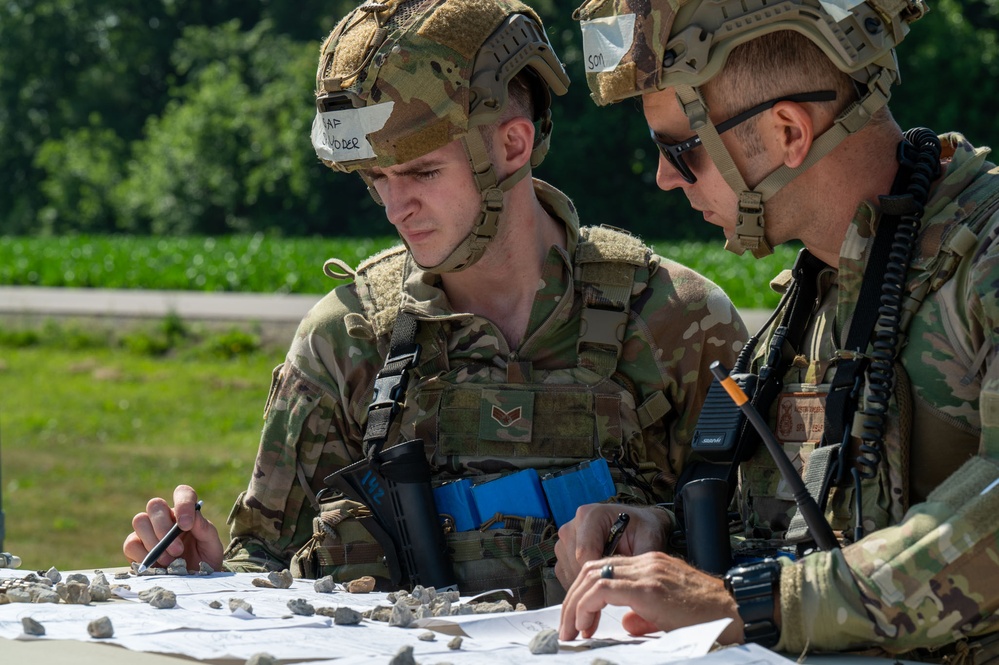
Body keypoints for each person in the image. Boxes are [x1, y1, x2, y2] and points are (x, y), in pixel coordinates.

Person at [123, 0, 746, 609]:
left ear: (511, 145)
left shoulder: (677, 322)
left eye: (421, 173)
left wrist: (658, 527)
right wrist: (210, 578)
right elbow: (265, 565)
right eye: (377, 182)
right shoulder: (347, 340)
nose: (397, 209)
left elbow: (764, 554)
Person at [555, 0, 999, 658]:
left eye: (681, 151)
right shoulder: (821, 289)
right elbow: (808, 532)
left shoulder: (982, 257)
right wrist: (659, 539)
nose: (662, 178)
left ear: (787, 131)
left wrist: (754, 602)